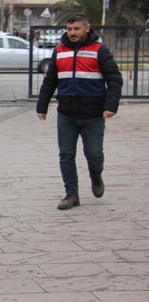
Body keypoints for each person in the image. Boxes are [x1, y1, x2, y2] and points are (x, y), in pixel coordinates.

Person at [36, 13, 122, 210]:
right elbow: (50, 81)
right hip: (66, 114)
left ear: (87, 28)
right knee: (66, 155)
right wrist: (42, 106)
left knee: (94, 154)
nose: (72, 33)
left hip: (94, 115)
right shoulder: (59, 51)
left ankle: (96, 175)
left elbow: (115, 79)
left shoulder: (99, 50)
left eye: (76, 29)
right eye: (69, 29)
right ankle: (71, 194)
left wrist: (111, 106)